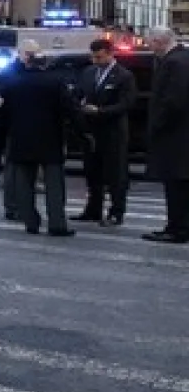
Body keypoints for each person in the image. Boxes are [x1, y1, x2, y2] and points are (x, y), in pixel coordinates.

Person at [0, 40, 74, 237]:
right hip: (50, 139)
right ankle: (57, 223)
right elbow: (69, 110)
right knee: (54, 185)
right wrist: (81, 132)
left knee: (23, 184)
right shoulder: (56, 81)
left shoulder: (12, 82)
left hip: (21, 139)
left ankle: (31, 222)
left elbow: (1, 111)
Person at [73, 39, 137, 226]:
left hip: (113, 132)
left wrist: (101, 111)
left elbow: (127, 103)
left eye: (99, 57)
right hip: (91, 132)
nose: (95, 60)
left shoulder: (124, 76)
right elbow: (79, 93)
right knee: (92, 172)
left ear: (110, 54)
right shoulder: (88, 72)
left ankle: (116, 212)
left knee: (115, 175)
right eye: (93, 56)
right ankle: (93, 209)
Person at [144, 27, 189, 244]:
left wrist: (157, 124)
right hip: (180, 135)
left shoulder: (174, 63)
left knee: (176, 185)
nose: (149, 48)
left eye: (150, 43)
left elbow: (174, 100)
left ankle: (177, 228)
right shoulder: (182, 58)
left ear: (160, 41)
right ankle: (179, 226)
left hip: (176, 137)